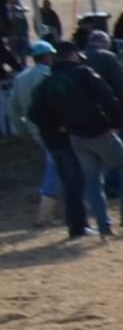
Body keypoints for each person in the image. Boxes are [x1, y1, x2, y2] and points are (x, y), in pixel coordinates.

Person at [27, 37, 118, 240]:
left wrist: (52, 126)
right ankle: (78, 226)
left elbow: (33, 113)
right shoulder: (63, 79)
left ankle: (76, 224)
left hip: (51, 140)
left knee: (70, 182)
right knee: (75, 182)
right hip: (66, 139)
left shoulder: (44, 83)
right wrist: (62, 126)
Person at [65, 20, 123, 235]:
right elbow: (120, 87)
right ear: (104, 43)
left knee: (92, 179)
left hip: (78, 130)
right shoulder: (107, 57)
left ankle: (103, 224)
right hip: (105, 123)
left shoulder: (76, 62)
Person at [7, 39, 60, 229]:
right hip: (56, 129)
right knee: (57, 167)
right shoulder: (50, 75)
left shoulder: (21, 78)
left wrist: (22, 131)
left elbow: (12, 108)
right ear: (47, 56)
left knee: (57, 165)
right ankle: (45, 214)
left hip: (35, 131)